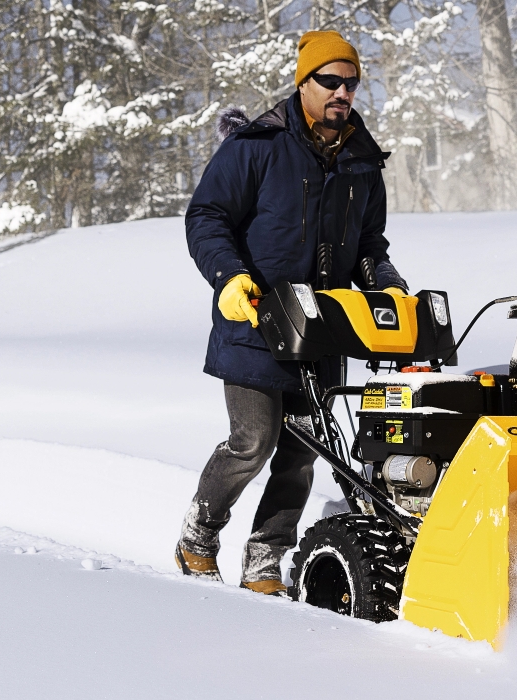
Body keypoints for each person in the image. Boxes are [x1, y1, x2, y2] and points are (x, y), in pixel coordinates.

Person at [177, 30, 409, 595]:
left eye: (351, 83)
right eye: (330, 81)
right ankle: (198, 537)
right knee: (252, 443)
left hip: (324, 325)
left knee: (302, 454)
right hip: (256, 320)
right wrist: (230, 277)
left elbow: (368, 245)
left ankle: (265, 559)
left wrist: (387, 286)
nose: (342, 93)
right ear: (303, 83)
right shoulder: (257, 145)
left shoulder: (360, 158)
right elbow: (206, 217)